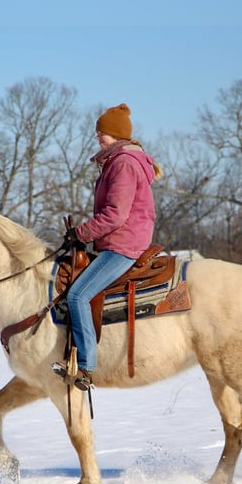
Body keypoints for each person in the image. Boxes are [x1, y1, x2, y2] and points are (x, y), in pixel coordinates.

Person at [62, 103, 161, 389]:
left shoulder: (123, 164)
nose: (97, 137)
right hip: (118, 241)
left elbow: (115, 214)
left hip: (124, 245)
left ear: (116, 134)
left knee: (78, 296)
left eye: (102, 133)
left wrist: (81, 233)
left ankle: (86, 366)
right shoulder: (118, 161)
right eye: (97, 133)